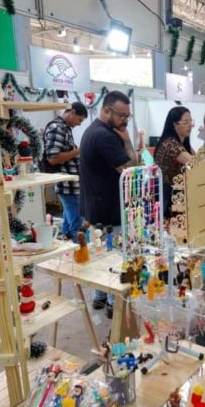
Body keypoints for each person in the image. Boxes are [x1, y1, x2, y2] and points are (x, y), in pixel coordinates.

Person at [80, 91, 142, 315]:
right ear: (106, 111)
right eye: (121, 115)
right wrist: (126, 141)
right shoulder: (106, 136)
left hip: (95, 207)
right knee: (115, 258)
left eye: (127, 116)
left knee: (101, 255)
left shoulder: (91, 130)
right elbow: (131, 171)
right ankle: (114, 305)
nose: (125, 121)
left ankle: (100, 297)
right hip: (109, 210)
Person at [41, 102, 88, 241]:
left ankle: (68, 245)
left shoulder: (65, 129)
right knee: (77, 224)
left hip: (71, 185)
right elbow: (53, 158)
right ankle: (80, 250)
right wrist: (79, 151)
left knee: (69, 221)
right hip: (67, 186)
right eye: (79, 120)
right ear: (72, 112)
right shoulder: (57, 129)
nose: (79, 124)